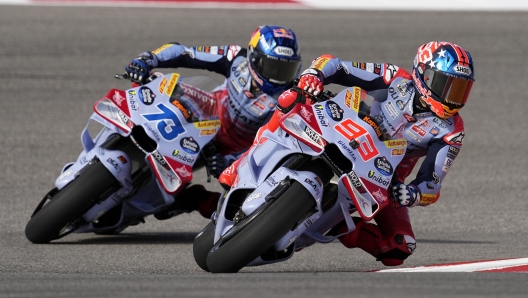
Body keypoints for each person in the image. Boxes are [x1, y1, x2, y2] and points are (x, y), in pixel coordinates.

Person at [219, 41, 474, 266]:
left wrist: (413, 193)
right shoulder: (394, 77)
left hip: (381, 173)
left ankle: (334, 225)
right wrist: (314, 75)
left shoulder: (451, 130)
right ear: (424, 76)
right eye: (447, 85)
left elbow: (433, 182)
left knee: (399, 247)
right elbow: (335, 65)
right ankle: (243, 162)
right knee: (290, 99)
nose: (453, 97)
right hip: (342, 126)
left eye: (461, 89)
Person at [124, 25, 302, 220]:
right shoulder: (236, 58)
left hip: (234, 151)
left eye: (286, 69)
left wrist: (233, 162)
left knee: (237, 206)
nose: (277, 76)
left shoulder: (291, 98)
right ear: (254, 58)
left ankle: (192, 199)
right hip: (202, 116)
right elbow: (185, 52)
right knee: (155, 93)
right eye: (272, 66)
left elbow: (275, 144)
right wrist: (147, 59)